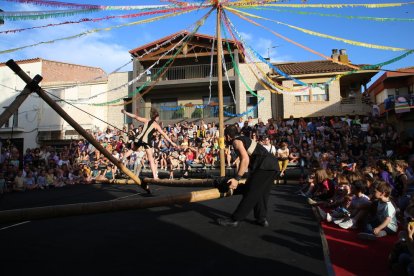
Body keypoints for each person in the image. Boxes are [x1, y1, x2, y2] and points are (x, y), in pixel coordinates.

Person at [217, 125, 279, 227]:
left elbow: (245, 159)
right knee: (261, 193)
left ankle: (235, 219)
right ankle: (261, 219)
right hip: (272, 165)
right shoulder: (245, 139)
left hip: (264, 165)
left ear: (228, 136)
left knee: (251, 193)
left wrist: (237, 179)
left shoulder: (236, 142)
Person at [121, 108, 177, 179]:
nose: (158, 119)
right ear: (156, 117)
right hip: (146, 141)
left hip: (138, 139)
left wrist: (126, 112)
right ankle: (155, 176)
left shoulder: (146, 120)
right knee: (151, 158)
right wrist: (171, 142)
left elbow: (135, 117)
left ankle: (121, 159)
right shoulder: (156, 125)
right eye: (158, 117)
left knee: (132, 149)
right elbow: (164, 134)